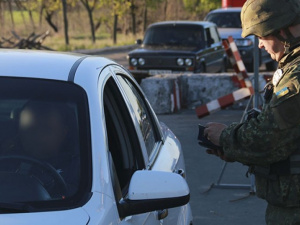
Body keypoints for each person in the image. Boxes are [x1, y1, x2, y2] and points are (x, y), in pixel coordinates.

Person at [203, 0, 300, 224]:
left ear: (280, 30)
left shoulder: (295, 79)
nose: (259, 46)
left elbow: (268, 139)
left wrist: (225, 137)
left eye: (261, 37)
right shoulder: (291, 66)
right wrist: (235, 150)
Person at [1, 100, 80, 198]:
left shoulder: (81, 169)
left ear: (64, 132)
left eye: (46, 129)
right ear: (19, 130)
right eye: (29, 129)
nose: (37, 136)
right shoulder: (5, 159)